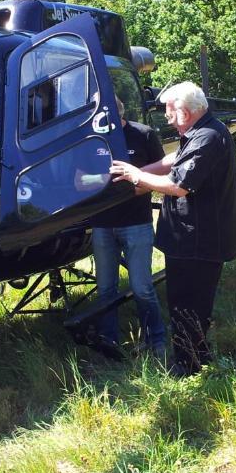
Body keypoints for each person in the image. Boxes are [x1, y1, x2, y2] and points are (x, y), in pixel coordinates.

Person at [111, 81, 236, 377]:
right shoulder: (200, 133)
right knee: (194, 302)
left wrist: (136, 178)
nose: (167, 118)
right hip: (194, 239)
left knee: (187, 303)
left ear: (184, 112)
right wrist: (137, 171)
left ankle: (186, 365)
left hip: (199, 241)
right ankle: (200, 354)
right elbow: (171, 161)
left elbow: (179, 185)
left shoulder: (207, 138)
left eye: (170, 112)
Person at [88, 96, 167, 358]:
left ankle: (156, 341)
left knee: (142, 286)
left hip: (136, 223)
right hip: (102, 224)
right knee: (105, 289)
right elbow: (78, 178)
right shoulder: (90, 139)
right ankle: (108, 343)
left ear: (116, 113)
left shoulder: (143, 135)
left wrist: (130, 189)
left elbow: (163, 174)